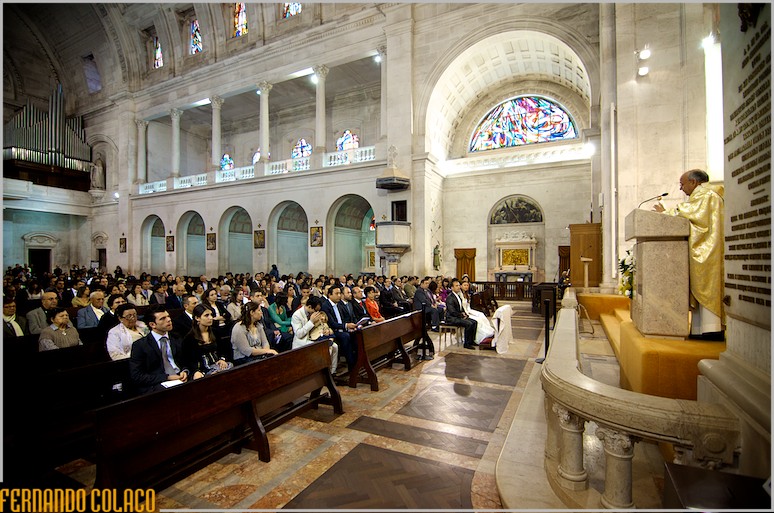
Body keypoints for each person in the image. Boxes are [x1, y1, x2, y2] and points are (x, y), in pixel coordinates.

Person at [654, 169, 724, 339]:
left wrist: (665, 214)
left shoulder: (706, 195)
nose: (680, 188)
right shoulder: (703, 196)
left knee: (706, 286)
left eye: (682, 184)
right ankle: (701, 329)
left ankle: (712, 329)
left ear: (693, 182)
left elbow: (690, 213)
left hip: (706, 250)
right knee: (701, 287)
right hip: (703, 248)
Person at [130, 306, 189, 394]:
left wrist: (185, 370)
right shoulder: (140, 345)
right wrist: (167, 377)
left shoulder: (177, 337)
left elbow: (186, 360)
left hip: (181, 377)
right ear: (152, 324)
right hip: (158, 383)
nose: (169, 320)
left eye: (168, 316)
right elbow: (137, 376)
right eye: (163, 319)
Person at [182, 304, 233, 379]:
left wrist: (222, 359)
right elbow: (189, 360)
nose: (211, 318)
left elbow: (224, 349)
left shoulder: (215, 332)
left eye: (211, 315)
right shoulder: (190, 338)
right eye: (206, 315)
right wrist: (197, 371)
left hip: (218, 365)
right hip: (203, 370)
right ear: (197, 318)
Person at [291, 296, 339, 374]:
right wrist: (311, 322)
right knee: (326, 349)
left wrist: (326, 330)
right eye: (316, 310)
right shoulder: (297, 315)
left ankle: (333, 372)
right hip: (303, 341)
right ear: (309, 307)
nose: (317, 312)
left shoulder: (314, 313)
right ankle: (324, 374)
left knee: (335, 346)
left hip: (316, 337)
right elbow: (299, 334)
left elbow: (322, 325)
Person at [445, 278, 478, 349]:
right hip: (451, 318)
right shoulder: (450, 297)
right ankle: (467, 343)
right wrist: (461, 315)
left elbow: (461, 307)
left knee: (474, 322)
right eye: (456, 286)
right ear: (452, 288)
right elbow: (452, 311)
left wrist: (464, 313)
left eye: (459, 285)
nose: (458, 287)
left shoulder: (458, 296)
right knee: (468, 324)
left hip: (457, 316)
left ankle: (471, 341)